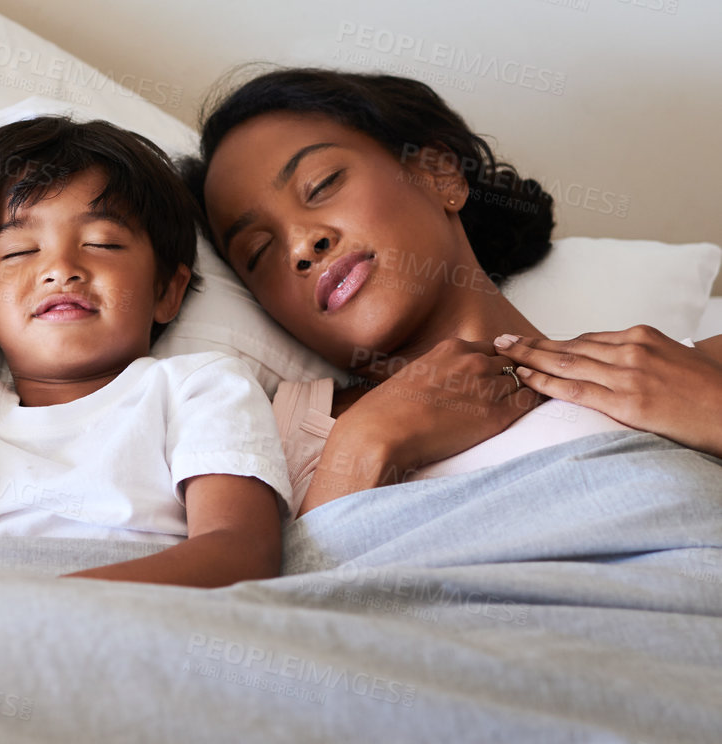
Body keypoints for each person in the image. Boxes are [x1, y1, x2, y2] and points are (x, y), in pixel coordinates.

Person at [182, 68, 722, 515]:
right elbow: (262, 621)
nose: (301, 245)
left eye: (321, 186)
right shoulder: (249, 435)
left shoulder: (671, 366)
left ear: (440, 174)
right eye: (258, 253)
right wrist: (365, 444)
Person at [0, 116, 291, 587]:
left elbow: (242, 554)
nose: (61, 269)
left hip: (140, 621)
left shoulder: (198, 387)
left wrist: (42, 596)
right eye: (19, 251)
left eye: (102, 243)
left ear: (167, 291)